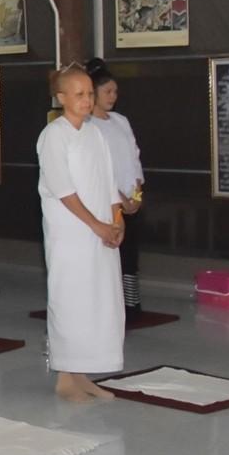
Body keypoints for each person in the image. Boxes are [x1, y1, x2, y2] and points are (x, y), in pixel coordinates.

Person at [39, 66, 125, 403]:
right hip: (71, 234)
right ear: (61, 98)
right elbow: (63, 189)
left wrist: (116, 220)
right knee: (71, 299)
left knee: (99, 301)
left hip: (101, 233)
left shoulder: (95, 134)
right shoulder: (54, 135)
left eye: (89, 93)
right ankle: (65, 377)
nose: (87, 100)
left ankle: (82, 374)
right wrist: (96, 224)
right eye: (79, 94)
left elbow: (109, 182)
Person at [87, 60, 145, 324]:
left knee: (130, 253)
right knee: (110, 253)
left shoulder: (121, 121)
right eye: (107, 92)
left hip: (131, 197)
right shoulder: (88, 125)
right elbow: (99, 167)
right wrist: (119, 198)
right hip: (107, 200)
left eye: (115, 92)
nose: (113, 97)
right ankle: (109, 307)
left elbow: (134, 157)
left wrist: (136, 194)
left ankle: (131, 305)